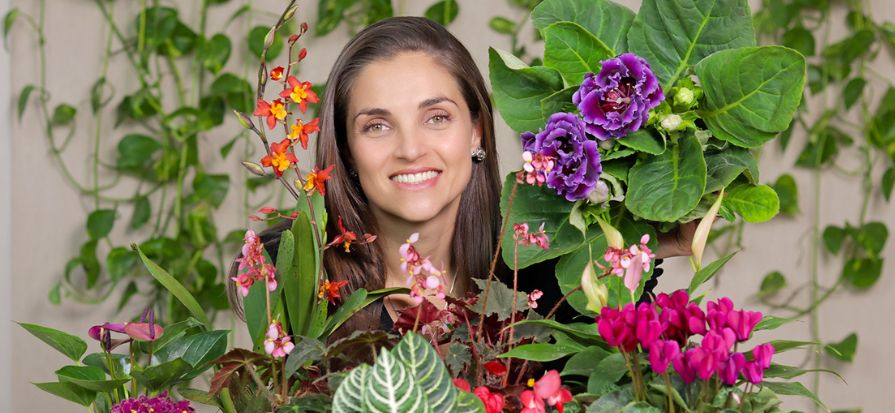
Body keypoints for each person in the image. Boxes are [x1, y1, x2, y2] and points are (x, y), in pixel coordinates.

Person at [229, 16, 691, 333]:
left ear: (476, 132)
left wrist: (632, 248)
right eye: (377, 126)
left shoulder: (547, 273)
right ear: (347, 151)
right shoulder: (291, 274)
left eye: (436, 118)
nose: (410, 149)